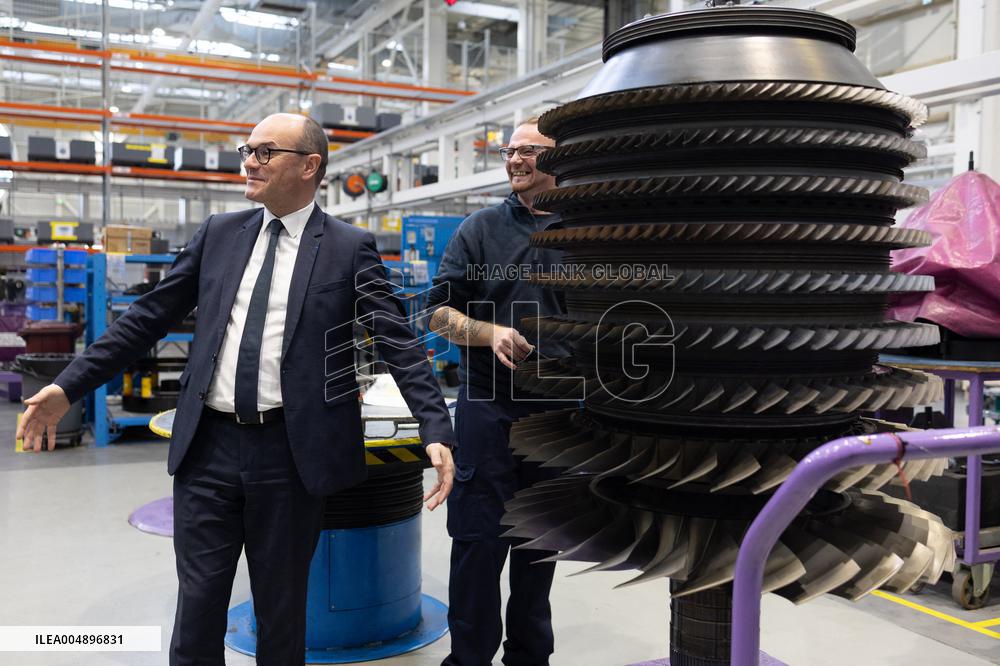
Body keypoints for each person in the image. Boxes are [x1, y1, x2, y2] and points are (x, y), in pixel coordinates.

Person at [17, 113, 456, 666]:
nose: (249, 161)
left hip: (291, 457)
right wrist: (67, 387)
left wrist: (435, 427)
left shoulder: (349, 248)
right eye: (247, 149)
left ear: (308, 167)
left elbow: (399, 343)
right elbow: (146, 319)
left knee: (280, 611)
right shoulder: (220, 234)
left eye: (265, 152)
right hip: (209, 450)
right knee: (198, 608)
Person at [427, 117, 568, 666]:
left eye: (528, 151)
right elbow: (438, 312)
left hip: (558, 417)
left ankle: (531, 659)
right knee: (478, 546)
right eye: (510, 150)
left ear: (560, 160)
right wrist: (487, 334)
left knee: (540, 549)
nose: (515, 160)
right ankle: (469, 661)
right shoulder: (480, 229)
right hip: (488, 411)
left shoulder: (589, 233)